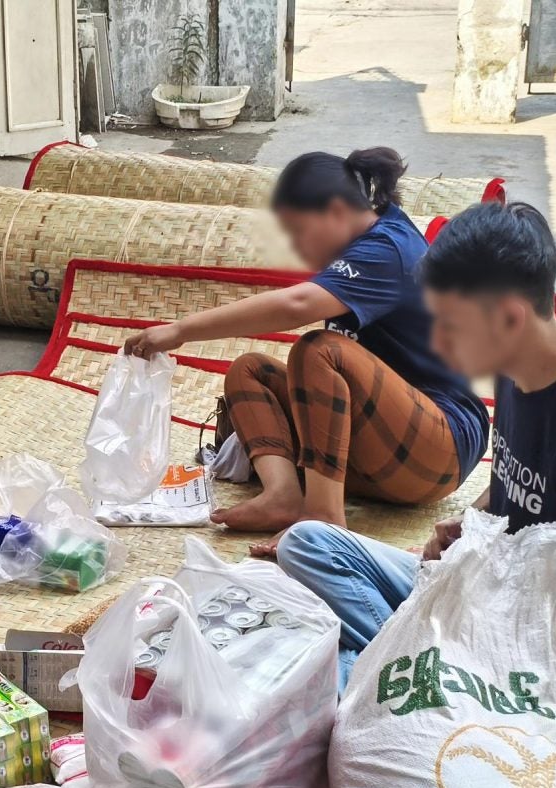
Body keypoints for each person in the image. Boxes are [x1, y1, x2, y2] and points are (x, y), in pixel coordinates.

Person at [274, 202, 556, 719]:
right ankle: (407, 658)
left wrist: (493, 565)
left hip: (550, 655)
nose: (439, 344)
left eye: (450, 326)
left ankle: (393, 662)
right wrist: (468, 524)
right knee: (307, 543)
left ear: (510, 317)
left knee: (335, 695)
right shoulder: (515, 369)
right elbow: (517, 481)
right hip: (482, 598)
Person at [124, 147, 489, 535]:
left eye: (299, 232)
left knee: (319, 351)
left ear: (335, 211)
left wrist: (180, 330)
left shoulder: (389, 248)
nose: (297, 248)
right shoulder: (363, 245)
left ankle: (325, 517)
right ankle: (282, 495)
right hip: (379, 449)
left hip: (439, 448)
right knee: (249, 371)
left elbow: (297, 304)